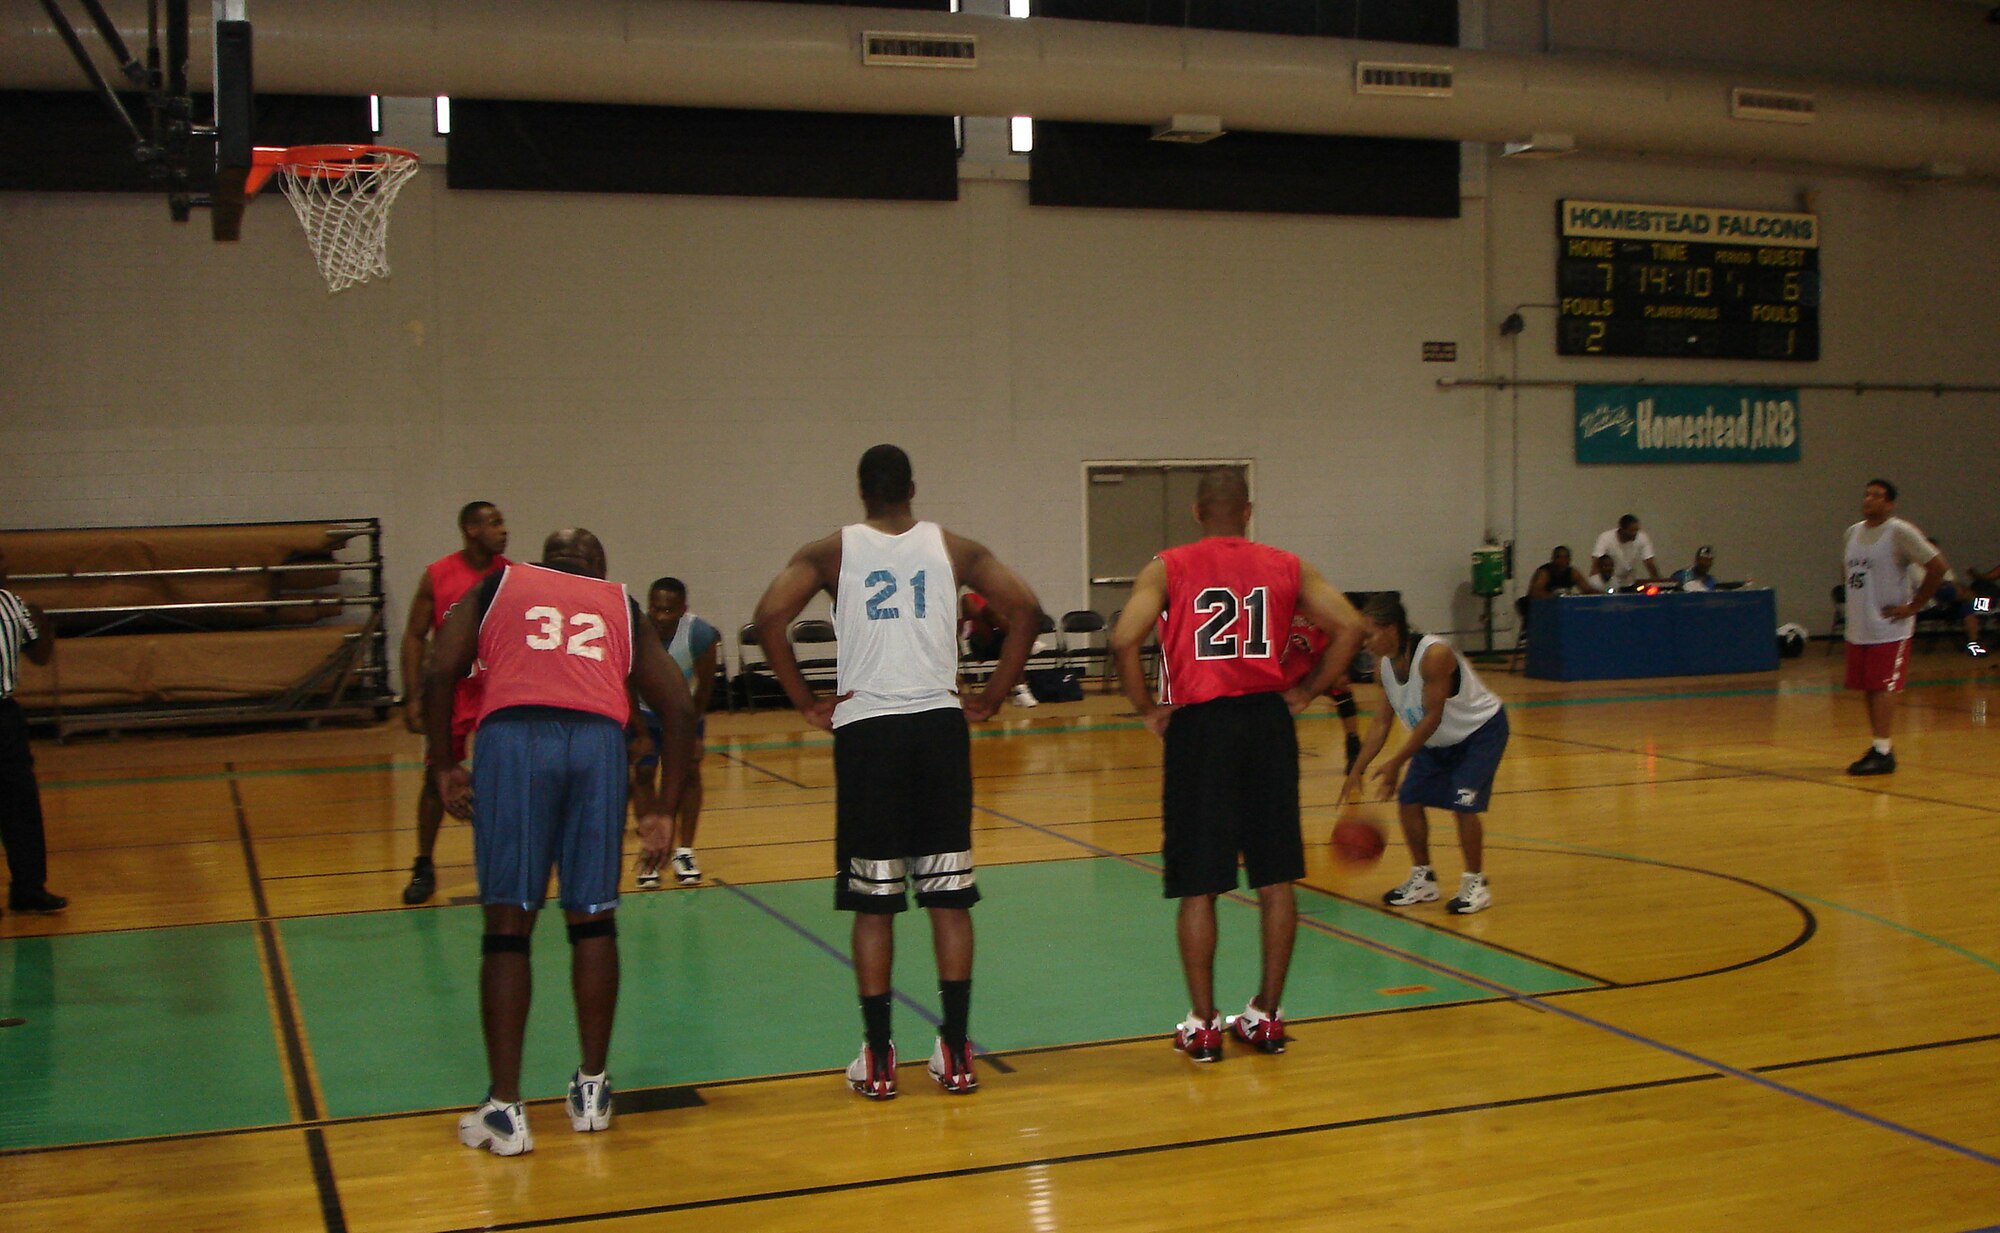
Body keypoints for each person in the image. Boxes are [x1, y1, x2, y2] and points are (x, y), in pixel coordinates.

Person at [753, 444, 1040, 1099]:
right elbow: (1026, 609)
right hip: (938, 728)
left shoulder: (829, 552)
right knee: (948, 896)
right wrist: (993, 694)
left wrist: (802, 699)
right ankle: (958, 1049)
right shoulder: (957, 549)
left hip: (869, 731)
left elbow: (769, 615)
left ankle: (881, 1056)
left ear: (861, 491)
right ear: (912, 485)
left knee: (874, 904)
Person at [426, 528, 694, 1156]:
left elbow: (440, 665)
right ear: (597, 568)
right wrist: (662, 810)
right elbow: (677, 707)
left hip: (516, 739)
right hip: (598, 745)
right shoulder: (618, 602)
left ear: (542, 560)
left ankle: (505, 1109)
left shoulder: (500, 582)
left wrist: (444, 761)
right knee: (593, 920)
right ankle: (594, 1091)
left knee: (508, 925)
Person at [1109, 470, 1364, 1063]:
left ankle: (1202, 1024)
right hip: (1265, 724)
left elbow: (1124, 640)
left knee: (1200, 885)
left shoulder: (1167, 566)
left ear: (1198, 512)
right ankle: (1267, 1017)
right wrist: (1306, 694)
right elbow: (1350, 627)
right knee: (1276, 880)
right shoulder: (1288, 565)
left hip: (1201, 726)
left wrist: (1148, 708)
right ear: (1247, 512)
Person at [1350, 596, 1509, 916]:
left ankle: (1476, 883)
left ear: (1391, 629)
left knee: (1463, 803)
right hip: (1437, 740)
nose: (1364, 644)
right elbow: (1382, 722)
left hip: (1479, 733)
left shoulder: (1435, 655)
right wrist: (1357, 767)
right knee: (1409, 800)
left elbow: (1431, 716)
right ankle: (1424, 878)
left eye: (1369, 635)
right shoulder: (1382, 668)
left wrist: (1396, 762)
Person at [399, 501, 511, 904]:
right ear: (470, 529)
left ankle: (498, 865)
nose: (503, 530)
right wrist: (413, 697)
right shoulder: (438, 576)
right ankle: (423, 863)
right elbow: (414, 637)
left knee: (500, 778)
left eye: (502, 522)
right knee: (436, 778)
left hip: (495, 689)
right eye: (494, 523)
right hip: (451, 691)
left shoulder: (511, 576)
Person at [1842, 479, 1947, 775]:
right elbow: (1849, 572)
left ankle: (1884, 749)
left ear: (1889, 504)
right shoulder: (1852, 533)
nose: (1869, 500)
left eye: (1877, 496)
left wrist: (1914, 605)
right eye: (1866, 494)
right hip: (1860, 626)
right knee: (1868, 687)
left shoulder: (1899, 532)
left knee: (1883, 686)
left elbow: (1937, 566)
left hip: (1889, 626)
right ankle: (1877, 745)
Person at [631, 577, 720, 887]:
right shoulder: (634, 631)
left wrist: (694, 732)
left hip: (682, 717)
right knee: (642, 774)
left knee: (690, 774)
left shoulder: (700, 634)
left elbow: (705, 687)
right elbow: (625, 685)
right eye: (655, 608)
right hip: (643, 713)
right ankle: (651, 852)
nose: (660, 616)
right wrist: (639, 732)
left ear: (683, 610)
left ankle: (684, 850)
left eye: (668, 610)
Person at [0, 548, 65, 917]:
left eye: (4, 560)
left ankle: (29, 887)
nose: (5, 567)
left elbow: (39, 655)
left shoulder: (13, 604)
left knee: (21, 803)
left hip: (5, 714)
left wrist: (43, 625)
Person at [1279, 615, 1364, 772]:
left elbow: (1341, 635)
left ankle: (1353, 742)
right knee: (1278, 703)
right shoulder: (1281, 605)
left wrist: (1340, 666)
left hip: (1319, 660)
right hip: (1291, 663)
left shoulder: (1318, 607)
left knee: (1342, 691)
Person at [960, 589, 1039, 708]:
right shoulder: (969, 598)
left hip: (1001, 639)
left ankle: (1021, 691)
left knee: (1013, 646)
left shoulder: (999, 600)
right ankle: (1029, 642)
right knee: (984, 608)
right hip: (981, 640)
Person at [1593, 514, 1662, 589]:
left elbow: (1649, 563)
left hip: (1630, 583)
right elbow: (1596, 563)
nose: (1635, 533)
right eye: (1632, 530)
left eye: (1636, 530)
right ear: (1622, 529)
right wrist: (1595, 585)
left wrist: (1658, 583)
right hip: (1610, 585)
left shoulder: (1642, 538)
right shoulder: (1605, 538)